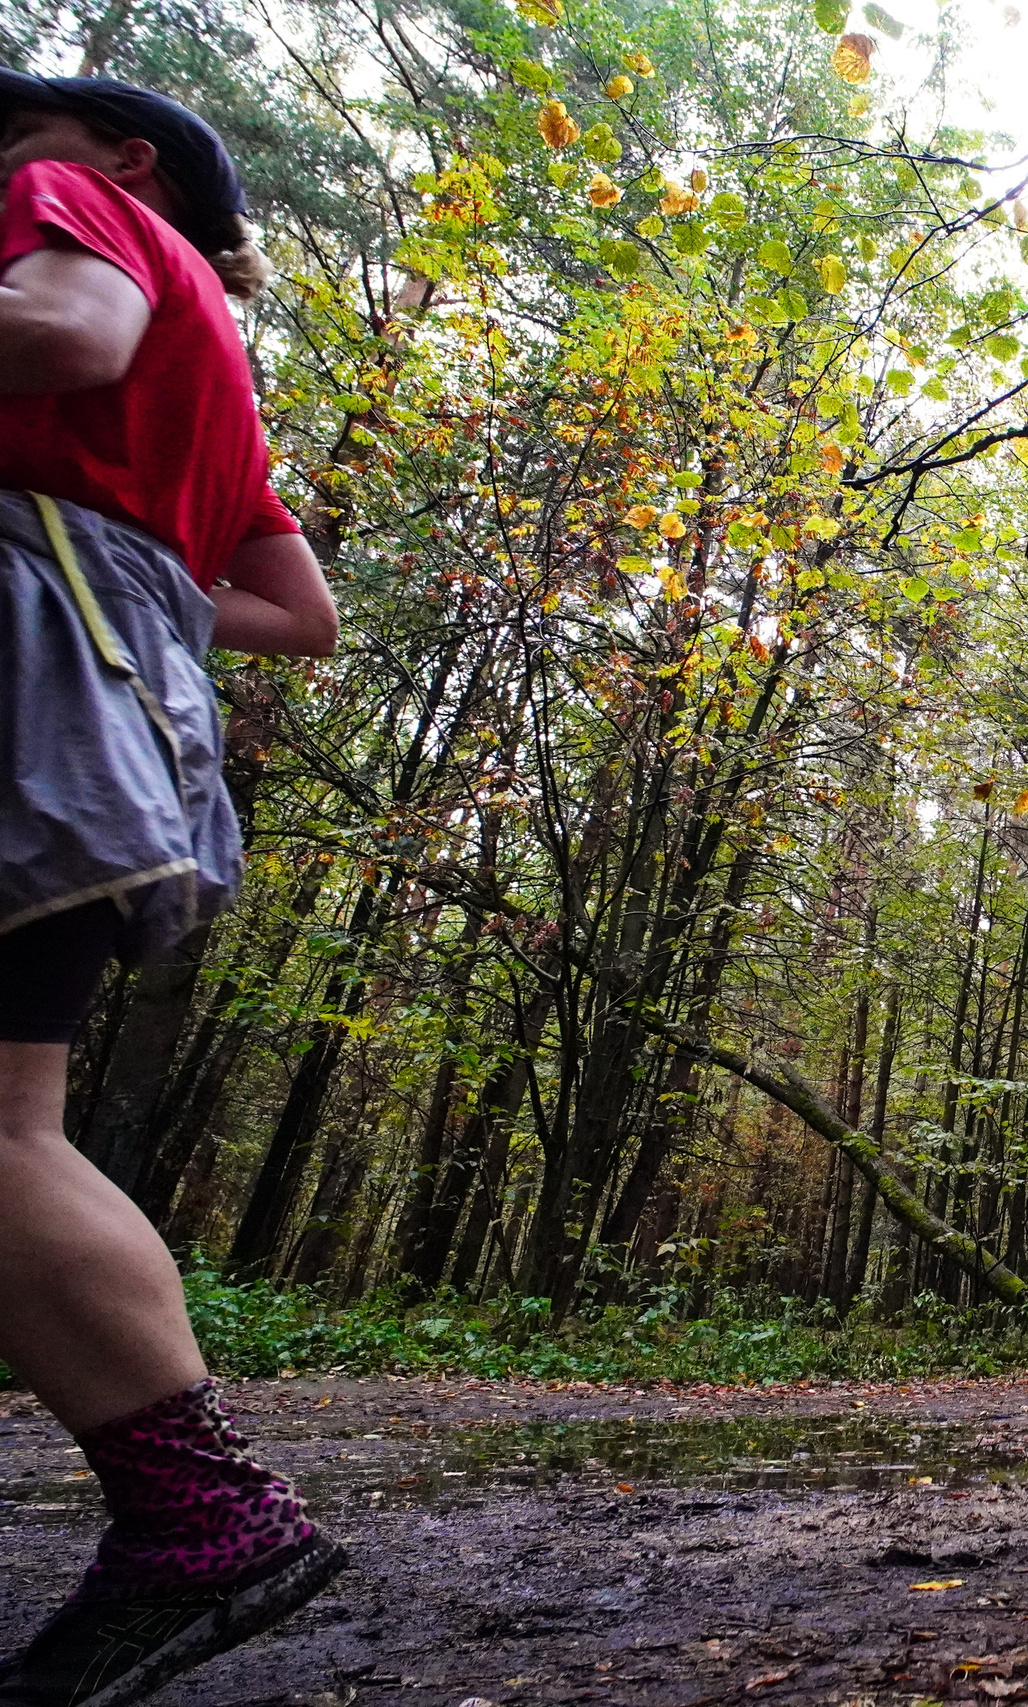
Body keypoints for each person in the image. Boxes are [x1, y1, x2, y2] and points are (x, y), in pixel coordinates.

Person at [0, 71, 344, 1706]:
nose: (6, 165)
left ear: (122, 158)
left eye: (19, 136)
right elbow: (299, 607)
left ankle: (199, 1508)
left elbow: (61, 335)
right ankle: (193, 1508)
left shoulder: (86, 215)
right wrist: (137, 592)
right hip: (121, 692)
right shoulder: (215, 373)